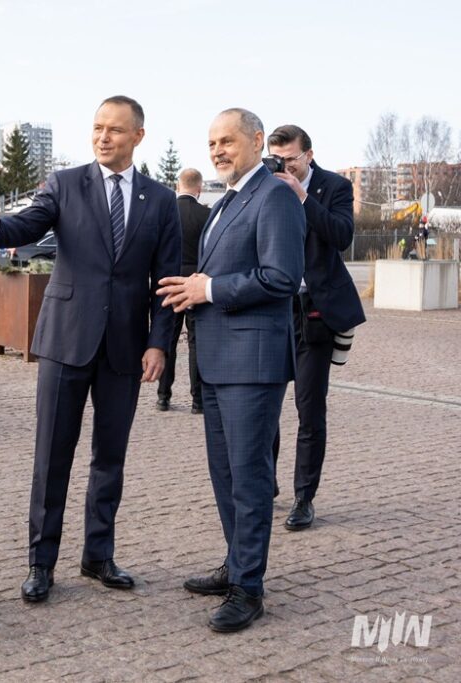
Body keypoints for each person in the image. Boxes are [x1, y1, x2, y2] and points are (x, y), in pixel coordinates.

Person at [0, 96, 181, 603]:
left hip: (125, 349)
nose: (103, 137)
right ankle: (41, 563)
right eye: (96, 128)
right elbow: (29, 223)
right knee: (52, 457)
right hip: (66, 341)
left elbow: (168, 280)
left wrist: (159, 345)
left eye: (114, 129)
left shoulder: (161, 199)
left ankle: (98, 556)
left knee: (110, 458)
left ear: (138, 136)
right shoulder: (65, 184)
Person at [157, 108, 305, 632]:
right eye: (212, 143)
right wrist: (196, 285)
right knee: (226, 476)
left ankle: (249, 588)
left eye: (227, 141)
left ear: (256, 140)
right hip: (218, 361)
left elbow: (282, 276)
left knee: (249, 476)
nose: (217, 150)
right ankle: (235, 563)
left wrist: (209, 288)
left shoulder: (276, 196)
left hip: (253, 364)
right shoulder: (228, 201)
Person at [267, 125, 366, 529]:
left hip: (315, 311)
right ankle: (263, 484)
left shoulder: (334, 187)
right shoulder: (265, 185)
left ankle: (303, 497)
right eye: (278, 158)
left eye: (291, 158)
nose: (284, 165)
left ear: (308, 154)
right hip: (273, 310)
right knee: (263, 406)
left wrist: (302, 194)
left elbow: (341, 236)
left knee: (309, 410)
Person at [157, 168, 211, 414]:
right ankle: (197, 400)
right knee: (196, 342)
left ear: (178, 186)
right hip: (196, 283)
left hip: (168, 281)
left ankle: (163, 396)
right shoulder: (207, 215)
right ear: (199, 189)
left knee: (167, 339)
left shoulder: (165, 213)